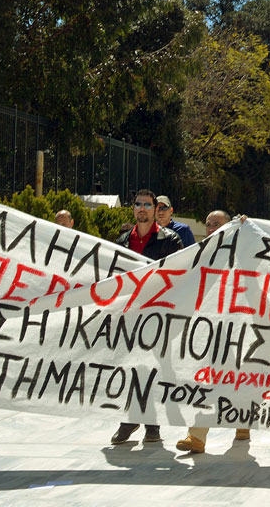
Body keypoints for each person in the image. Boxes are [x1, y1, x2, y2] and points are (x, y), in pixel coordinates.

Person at [110, 190, 184, 445]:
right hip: (129, 315)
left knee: (152, 369)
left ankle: (138, 422)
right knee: (132, 368)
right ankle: (145, 424)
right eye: (138, 204)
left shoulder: (170, 240)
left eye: (148, 205)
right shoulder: (120, 242)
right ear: (133, 209)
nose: (142, 208)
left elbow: (180, 277)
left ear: (155, 209)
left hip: (159, 315)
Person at [176, 208, 250, 453]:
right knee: (204, 378)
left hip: (238, 328)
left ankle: (242, 419)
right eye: (208, 224)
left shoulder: (244, 251)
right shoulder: (200, 253)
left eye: (217, 224)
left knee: (236, 377)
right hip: (208, 329)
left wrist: (247, 229)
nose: (210, 228)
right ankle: (196, 436)